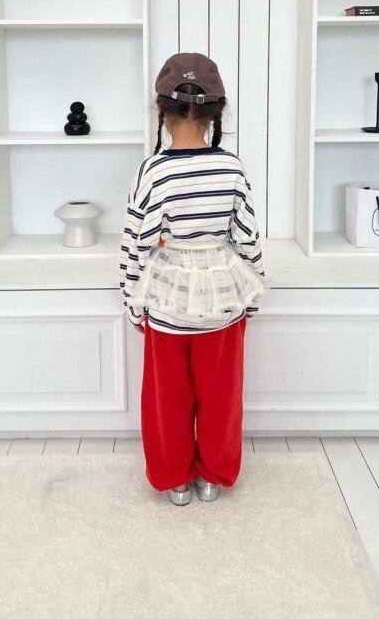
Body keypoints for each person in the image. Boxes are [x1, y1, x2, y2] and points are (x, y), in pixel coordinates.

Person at [118, 53, 270, 506]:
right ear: (216, 112)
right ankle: (213, 477)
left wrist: (133, 302)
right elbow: (247, 238)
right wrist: (253, 294)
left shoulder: (152, 171)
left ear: (160, 110)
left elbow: (136, 243)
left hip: (167, 302)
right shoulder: (232, 168)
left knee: (167, 399)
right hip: (224, 301)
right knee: (222, 396)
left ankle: (175, 480)